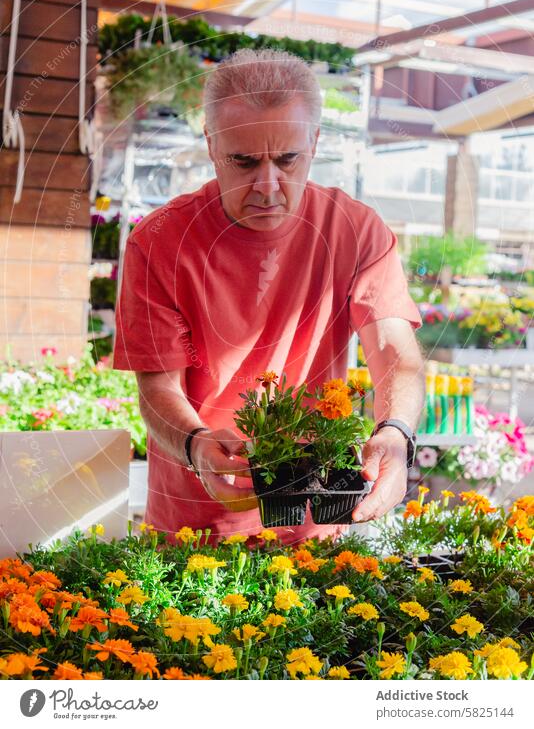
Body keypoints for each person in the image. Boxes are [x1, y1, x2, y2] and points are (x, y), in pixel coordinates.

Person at [112, 48, 425, 544]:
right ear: (212, 144)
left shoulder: (358, 231)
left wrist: (395, 433)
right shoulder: (159, 240)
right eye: (243, 161)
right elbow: (159, 387)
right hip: (195, 521)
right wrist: (196, 445)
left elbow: (394, 354)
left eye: (287, 159)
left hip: (316, 519)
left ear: (315, 141)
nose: (268, 185)